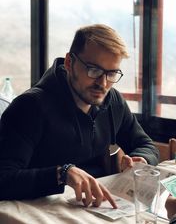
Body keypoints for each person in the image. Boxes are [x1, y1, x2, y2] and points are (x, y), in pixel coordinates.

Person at [0, 24, 159, 207]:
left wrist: (142, 159)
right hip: (38, 208)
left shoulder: (113, 101)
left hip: (94, 205)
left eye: (111, 73)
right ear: (69, 62)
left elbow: (146, 145)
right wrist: (62, 174)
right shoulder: (30, 107)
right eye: (94, 70)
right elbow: (3, 178)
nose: (103, 83)